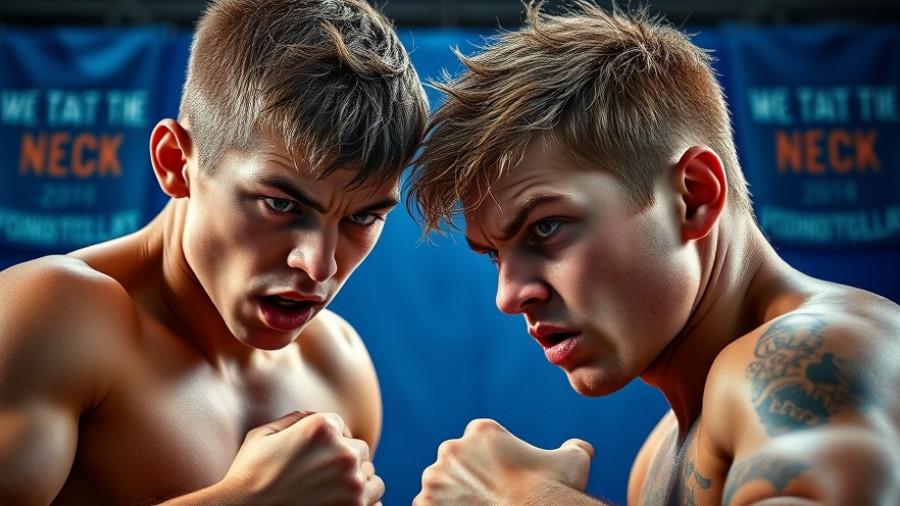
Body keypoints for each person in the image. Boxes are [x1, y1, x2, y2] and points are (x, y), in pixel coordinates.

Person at [406, 1, 900, 504]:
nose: (509, 296)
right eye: (494, 254)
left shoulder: (808, 356)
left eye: (545, 227)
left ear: (693, 196)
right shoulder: (661, 452)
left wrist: (526, 498)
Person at [0, 0, 428, 503]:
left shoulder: (340, 367)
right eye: (281, 204)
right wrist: (246, 499)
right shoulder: (52, 315)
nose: (319, 265)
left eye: (362, 217)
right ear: (175, 162)